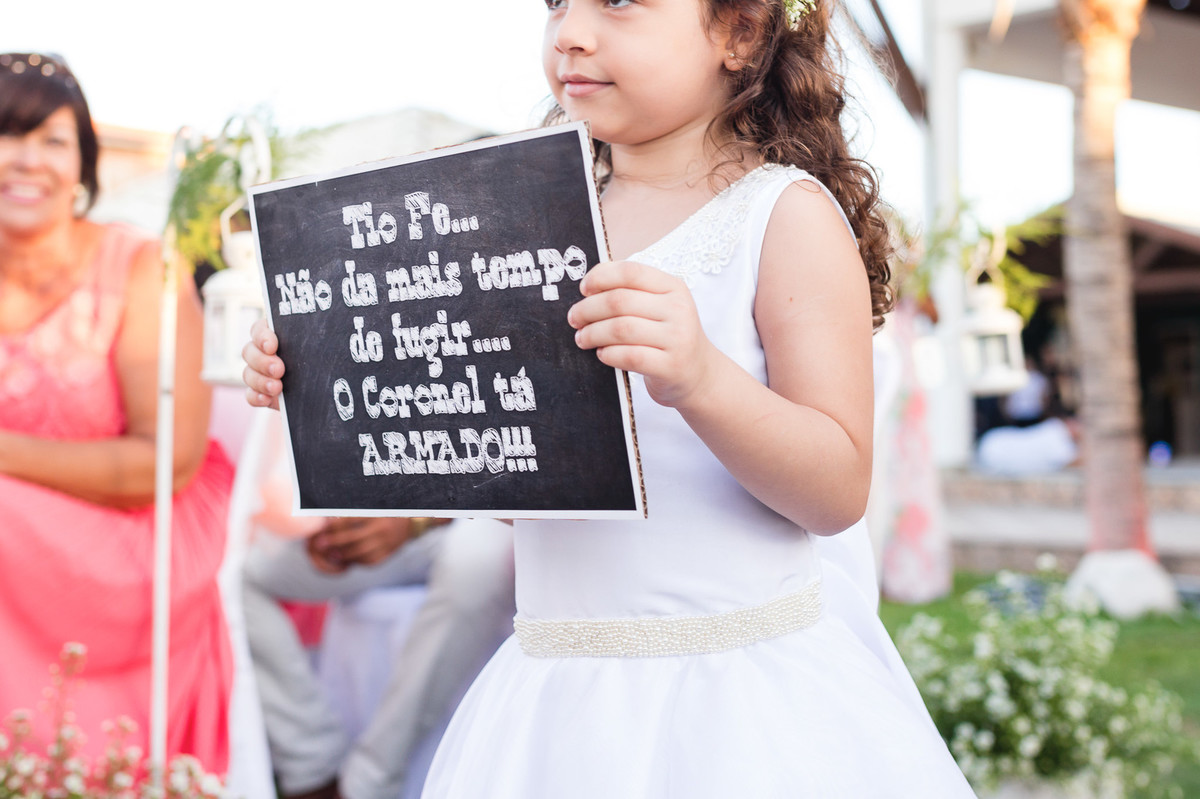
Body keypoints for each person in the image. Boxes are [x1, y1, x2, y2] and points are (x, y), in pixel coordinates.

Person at [244, 1, 976, 795]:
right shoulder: (523, 229)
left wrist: (702, 377)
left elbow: (838, 488)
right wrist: (349, 388)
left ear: (740, 33)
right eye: (557, 3)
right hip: (561, 690)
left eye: (620, 2)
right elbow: (533, 481)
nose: (571, 33)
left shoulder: (783, 216)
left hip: (731, 693)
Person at [0, 53, 232, 772]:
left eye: (51, 139)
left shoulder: (141, 270)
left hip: (139, 529)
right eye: (6, 135)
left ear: (84, 165)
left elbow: (161, 463)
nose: (26, 159)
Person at [240, 412, 515, 799]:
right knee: (244, 576)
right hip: (393, 502)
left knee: (478, 562)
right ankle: (313, 767)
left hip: (492, 517)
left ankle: (368, 783)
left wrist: (419, 516)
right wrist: (343, 522)